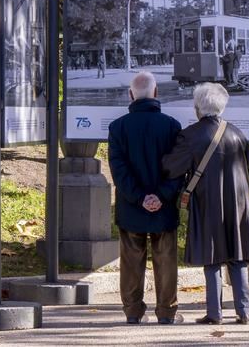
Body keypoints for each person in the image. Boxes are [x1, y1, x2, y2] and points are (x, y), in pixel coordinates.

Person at [162, 83, 249, 325]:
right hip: (238, 203)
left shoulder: (191, 135)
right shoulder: (237, 133)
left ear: (197, 107)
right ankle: (244, 311)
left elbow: (171, 167)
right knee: (237, 256)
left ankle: (215, 313)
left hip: (208, 202)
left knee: (212, 256)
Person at [108, 71, 183, 325]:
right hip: (164, 208)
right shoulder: (172, 126)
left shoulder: (118, 127)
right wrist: (160, 196)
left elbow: (119, 171)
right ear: (156, 93)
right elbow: (177, 170)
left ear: (131, 95)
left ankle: (132, 311)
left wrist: (140, 198)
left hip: (131, 207)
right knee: (166, 260)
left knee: (131, 261)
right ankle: (166, 312)